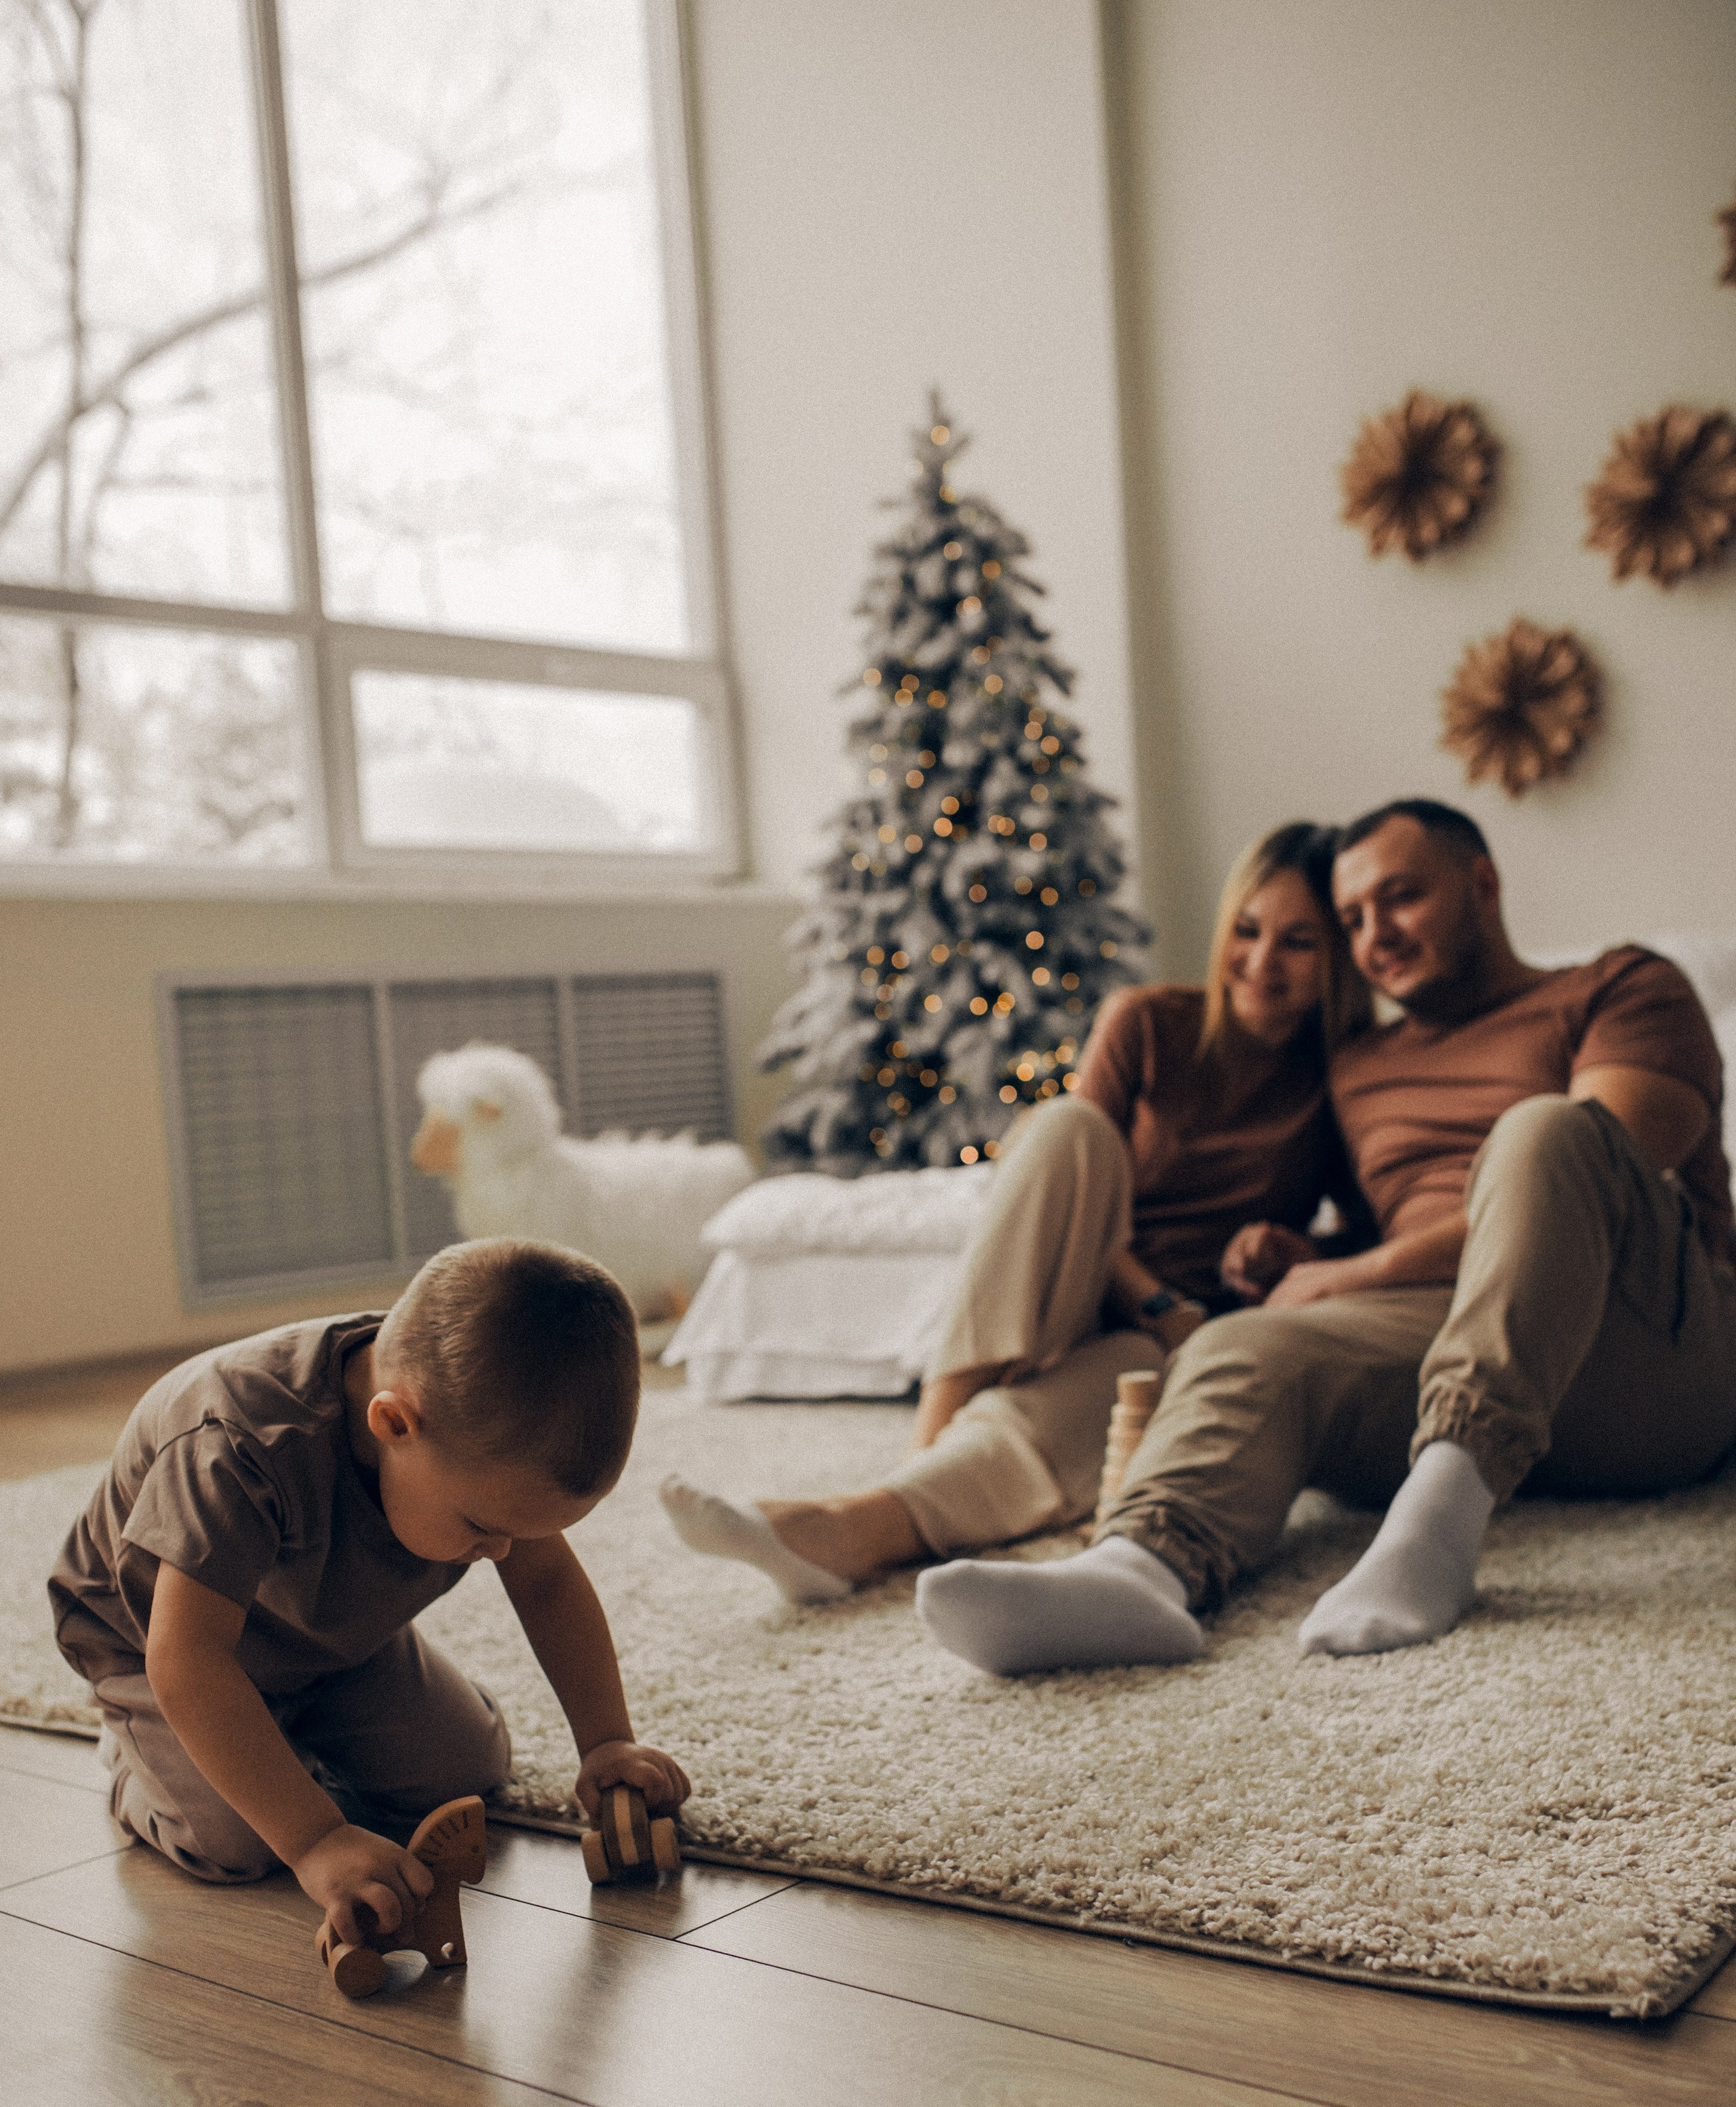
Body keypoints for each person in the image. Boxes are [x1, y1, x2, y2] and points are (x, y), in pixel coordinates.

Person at [914, 797, 1736, 1675]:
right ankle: (1140, 1572)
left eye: (1401, 897)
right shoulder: (1359, 1064)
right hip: (1445, 1342)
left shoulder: (1618, 986)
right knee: (1246, 1342)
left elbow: (1621, 1156)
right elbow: (1371, 1226)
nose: (1374, 933)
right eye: (1352, 919)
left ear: (1482, 884)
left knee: (1543, 1133)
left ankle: (1439, 1528)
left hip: (1650, 1358)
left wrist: (1359, 1273)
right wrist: (1307, 1259)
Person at [661, 821, 1366, 1634]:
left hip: (1172, 1342)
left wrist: (1293, 1251)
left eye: (1298, 943)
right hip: (1081, 1274)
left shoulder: (1338, 1078)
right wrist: (1155, 1301)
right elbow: (1061, 1177)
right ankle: (929, 1436)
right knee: (1070, 1127)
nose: (1260, 962)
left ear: (1337, 957)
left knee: (1067, 1412)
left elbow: (1362, 1233)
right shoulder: (1147, 1022)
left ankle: (843, 1533)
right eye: (1247, 929)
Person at [49, 1240, 689, 1951]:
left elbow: (545, 1582)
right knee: (237, 1845)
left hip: (331, 1635)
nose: (501, 1553)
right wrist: (317, 1839)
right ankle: (130, 1752)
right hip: (157, 1649)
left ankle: (285, 1735)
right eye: (481, 1528)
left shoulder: (478, 1420)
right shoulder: (238, 1443)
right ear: (392, 1424)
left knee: (464, 1774)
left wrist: (605, 1740)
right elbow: (187, 1659)